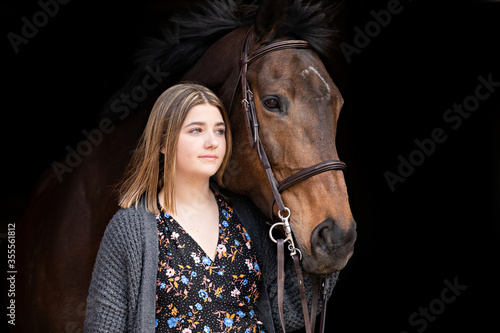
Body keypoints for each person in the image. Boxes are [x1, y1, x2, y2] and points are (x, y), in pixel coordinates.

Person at [84, 83, 338, 333]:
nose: (212, 142)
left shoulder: (245, 215)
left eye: (219, 131)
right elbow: (105, 325)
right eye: (196, 130)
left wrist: (330, 247)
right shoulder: (131, 228)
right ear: (163, 142)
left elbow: (286, 310)